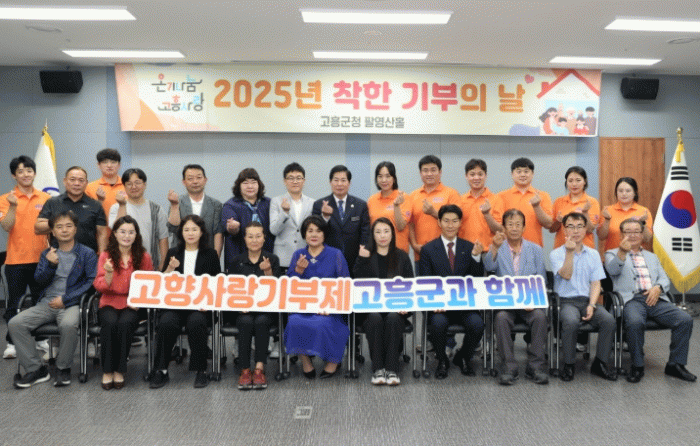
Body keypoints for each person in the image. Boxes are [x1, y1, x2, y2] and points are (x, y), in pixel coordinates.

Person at [9, 210, 97, 388]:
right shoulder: (47, 254)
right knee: (15, 323)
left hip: (72, 303)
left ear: (75, 229)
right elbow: (39, 281)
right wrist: (50, 264)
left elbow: (91, 283)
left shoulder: (87, 253)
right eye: (59, 227)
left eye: (69, 226)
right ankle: (36, 369)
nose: (64, 230)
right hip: (47, 303)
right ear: (53, 232)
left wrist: (66, 299)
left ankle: (63, 368)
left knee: (68, 324)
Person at [605, 218, 696, 383]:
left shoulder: (652, 256)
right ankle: (637, 365)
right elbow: (612, 271)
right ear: (621, 235)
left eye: (636, 231)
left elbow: (664, 278)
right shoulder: (612, 253)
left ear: (642, 235)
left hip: (655, 298)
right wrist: (622, 253)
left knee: (685, 320)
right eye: (628, 232)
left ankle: (675, 364)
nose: (633, 235)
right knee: (635, 322)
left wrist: (658, 287)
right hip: (631, 300)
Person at [149, 215, 221, 389]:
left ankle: (200, 370)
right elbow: (162, 282)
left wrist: (207, 304)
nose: (190, 233)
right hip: (175, 304)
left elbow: (217, 284)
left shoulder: (210, 254)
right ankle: (161, 370)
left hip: (200, 306)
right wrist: (170, 268)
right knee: (166, 323)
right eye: (186, 229)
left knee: (196, 323)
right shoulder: (173, 252)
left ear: (202, 232)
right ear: (181, 232)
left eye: (194, 229)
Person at [419, 205, 484, 379]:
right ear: (439, 222)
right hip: (440, 306)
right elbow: (425, 281)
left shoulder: (469, 247)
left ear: (460, 223)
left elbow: (477, 280)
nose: (450, 225)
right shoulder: (428, 249)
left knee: (477, 324)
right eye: (446, 221)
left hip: (464, 306)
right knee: (437, 324)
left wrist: (476, 257)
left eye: (454, 221)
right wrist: (435, 303)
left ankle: (463, 357)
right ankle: (442, 360)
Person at [484, 209, 548, 385]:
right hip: (507, 304)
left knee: (540, 317)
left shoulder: (535, 249)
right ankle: (509, 366)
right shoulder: (497, 247)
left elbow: (541, 280)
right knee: (501, 318)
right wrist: (494, 248)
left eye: (518, 224)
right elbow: (489, 267)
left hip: (529, 303)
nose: (514, 228)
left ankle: (535, 366)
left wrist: (532, 300)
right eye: (510, 224)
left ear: (524, 227)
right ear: (504, 228)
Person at [550, 212, 617, 382]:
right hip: (565, 302)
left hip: (587, 300)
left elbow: (596, 283)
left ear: (586, 229)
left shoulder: (593, 254)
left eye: (580, 226)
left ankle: (600, 362)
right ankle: (569, 364)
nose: (576, 231)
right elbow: (566, 275)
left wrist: (592, 305)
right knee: (571, 321)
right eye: (571, 227)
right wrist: (570, 252)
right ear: (564, 230)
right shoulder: (556, 254)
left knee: (608, 320)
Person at [285, 215, 350, 379]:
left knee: (323, 323)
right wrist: (298, 271)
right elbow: (289, 287)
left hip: (329, 308)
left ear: (324, 234)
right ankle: (306, 361)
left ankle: (333, 361)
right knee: (294, 322)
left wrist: (331, 306)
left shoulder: (335, 254)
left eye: (318, 231)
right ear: (304, 234)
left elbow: (345, 285)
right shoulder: (298, 254)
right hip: (304, 307)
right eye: (310, 231)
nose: (314, 234)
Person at [93, 216, 154, 390]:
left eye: (131, 232)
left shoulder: (144, 257)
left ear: (136, 235)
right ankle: (107, 370)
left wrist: (140, 301)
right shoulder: (106, 256)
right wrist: (109, 273)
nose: (127, 236)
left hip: (133, 303)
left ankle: (119, 370)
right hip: (109, 301)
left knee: (125, 324)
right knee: (110, 323)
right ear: (115, 234)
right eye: (123, 232)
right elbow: (100, 286)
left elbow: (149, 283)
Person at [0, 156, 50, 359]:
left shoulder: (45, 198)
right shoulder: (5, 199)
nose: (25, 174)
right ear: (14, 175)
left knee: (41, 303)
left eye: (29, 170)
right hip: (16, 261)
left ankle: (41, 339)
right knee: (15, 304)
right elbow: (6, 226)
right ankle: (12, 342)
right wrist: (12, 206)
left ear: (34, 173)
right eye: (20, 171)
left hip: (42, 261)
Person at [354, 217, 414, 386]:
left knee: (393, 318)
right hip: (370, 310)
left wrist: (406, 306)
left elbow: (410, 286)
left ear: (392, 234)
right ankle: (378, 369)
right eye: (378, 232)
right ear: (372, 235)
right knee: (374, 318)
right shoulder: (366, 255)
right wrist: (362, 260)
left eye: (386, 231)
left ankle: (392, 369)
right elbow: (357, 285)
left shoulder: (402, 256)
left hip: (396, 308)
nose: (382, 236)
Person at [228, 222, 281, 390]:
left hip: (265, 309)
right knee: (245, 321)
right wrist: (239, 306)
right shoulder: (236, 261)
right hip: (242, 309)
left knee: (261, 321)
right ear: (244, 239)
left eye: (258, 236)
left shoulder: (272, 259)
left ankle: (259, 368)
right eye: (250, 236)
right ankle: (244, 369)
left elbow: (277, 290)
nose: (254, 240)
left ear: (264, 238)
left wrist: (268, 272)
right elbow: (230, 289)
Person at [312, 165, 369, 277]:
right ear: (330, 182)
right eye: (336, 180)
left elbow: (365, 233)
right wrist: (325, 217)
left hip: (355, 261)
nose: (339, 184)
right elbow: (315, 232)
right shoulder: (319, 205)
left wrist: (363, 256)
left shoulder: (360, 205)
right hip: (327, 260)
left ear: (349, 183)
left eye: (343, 180)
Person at [36, 166, 107, 254]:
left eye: (81, 180)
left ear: (86, 183)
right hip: (58, 256)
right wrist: (58, 220)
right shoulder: (53, 202)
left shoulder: (95, 205)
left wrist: (102, 258)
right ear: (65, 181)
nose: (77, 183)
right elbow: (38, 228)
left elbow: (102, 234)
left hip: (87, 257)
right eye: (72, 179)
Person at [109, 168, 169, 271]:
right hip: (122, 265)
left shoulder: (156, 209)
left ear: (144, 184)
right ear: (124, 186)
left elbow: (163, 238)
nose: (134, 187)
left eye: (137, 183)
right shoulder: (116, 208)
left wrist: (164, 262)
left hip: (150, 264)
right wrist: (122, 205)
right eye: (129, 184)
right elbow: (115, 230)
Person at [222, 168, 274, 273]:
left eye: (253, 182)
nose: (250, 186)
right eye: (245, 183)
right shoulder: (230, 205)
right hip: (239, 261)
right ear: (239, 186)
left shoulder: (269, 203)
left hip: (265, 260)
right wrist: (233, 227)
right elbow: (230, 230)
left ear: (259, 185)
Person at [166, 164, 224, 256]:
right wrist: (174, 205)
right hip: (181, 254)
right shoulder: (177, 201)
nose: (195, 182)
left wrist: (216, 257)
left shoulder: (216, 204)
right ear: (184, 182)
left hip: (207, 255)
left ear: (205, 180)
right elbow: (173, 228)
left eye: (199, 178)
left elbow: (218, 232)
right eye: (190, 178)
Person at [497, 157, 552, 247]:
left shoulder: (543, 196)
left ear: (532, 174)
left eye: (526, 171)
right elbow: (498, 225)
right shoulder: (501, 196)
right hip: (507, 247)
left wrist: (537, 206)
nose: (523, 175)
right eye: (519, 172)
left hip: (534, 246)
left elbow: (549, 224)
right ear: (512, 174)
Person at [269, 162, 314, 270]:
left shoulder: (312, 203)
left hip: (306, 256)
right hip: (283, 257)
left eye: (299, 178)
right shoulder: (276, 201)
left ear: (304, 181)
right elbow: (273, 230)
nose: (295, 181)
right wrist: (284, 213)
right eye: (291, 178)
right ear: (285, 181)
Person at [459, 158, 504, 254]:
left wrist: (487, 214)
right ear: (466, 176)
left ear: (485, 176)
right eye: (472, 174)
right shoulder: (460, 200)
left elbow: (500, 230)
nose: (476, 178)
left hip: (488, 252)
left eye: (480, 174)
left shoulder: (496, 199)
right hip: (464, 251)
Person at [366, 161, 412, 253]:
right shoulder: (371, 200)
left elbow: (400, 226)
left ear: (394, 178)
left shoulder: (403, 197)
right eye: (380, 176)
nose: (384, 180)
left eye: (388, 176)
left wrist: (396, 206)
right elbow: (369, 229)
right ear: (376, 179)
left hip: (399, 252)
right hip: (376, 253)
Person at [549, 166, 600, 249]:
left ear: (585, 181)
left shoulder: (592, 202)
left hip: (584, 249)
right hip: (562, 249)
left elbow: (590, 229)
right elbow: (551, 229)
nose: (574, 184)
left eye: (578, 180)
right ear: (566, 182)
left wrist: (585, 212)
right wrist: (558, 221)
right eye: (570, 181)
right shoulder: (558, 201)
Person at [598, 177, 653, 251]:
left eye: (628, 191)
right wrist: (607, 220)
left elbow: (647, 239)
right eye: (620, 191)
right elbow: (601, 237)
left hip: (635, 255)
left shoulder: (643, 211)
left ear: (634, 193)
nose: (624, 194)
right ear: (616, 193)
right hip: (613, 255)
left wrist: (643, 223)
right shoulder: (608, 210)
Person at [85, 148, 125, 220]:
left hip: (124, 226)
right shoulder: (89, 187)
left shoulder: (127, 185)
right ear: (98, 165)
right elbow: (86, 214)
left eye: (113, 162)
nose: (109, 165)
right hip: (99, 227)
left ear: (119, 165)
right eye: (105, 162)